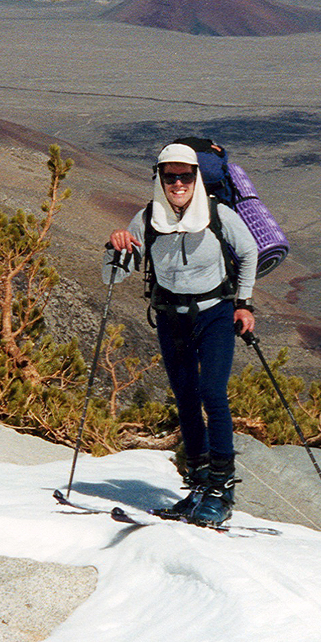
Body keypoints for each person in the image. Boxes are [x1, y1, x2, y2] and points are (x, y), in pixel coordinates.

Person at [105, 142, 258, 526]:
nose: (177, 183)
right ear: (159, 178)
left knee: (212, 393)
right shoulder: (146, 220)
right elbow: (113, 276)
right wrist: (114, 247)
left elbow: (250, 251)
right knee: (186, 398)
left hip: (215, 314)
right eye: (170, 176)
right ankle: (200, 484)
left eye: (185, 176)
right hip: (171, 317)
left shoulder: (219, 214)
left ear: (196, 178)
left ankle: (222, 490)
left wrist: (244, 304)